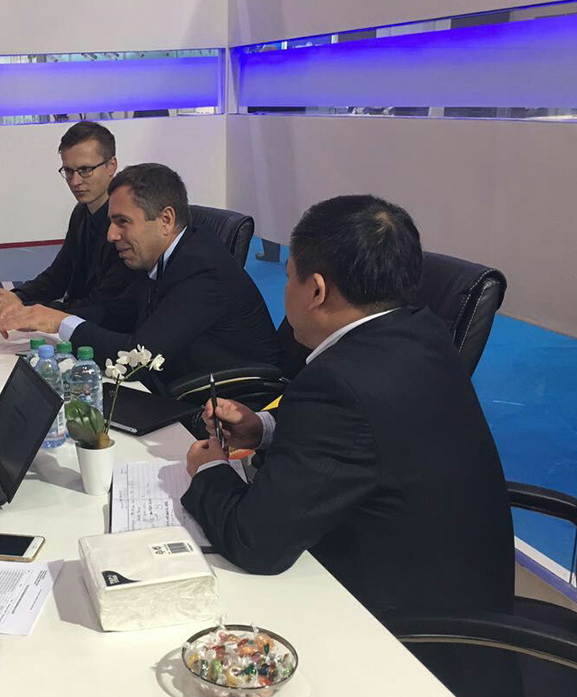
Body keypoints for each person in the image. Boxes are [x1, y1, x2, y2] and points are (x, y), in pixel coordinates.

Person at [181, 195, 516, 694]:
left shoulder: (339, 381)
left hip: (410, 639)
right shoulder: (419, 331)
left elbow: (256, 544)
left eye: (290, 277)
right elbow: (370, 434)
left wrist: (208, 470)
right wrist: (263, 428)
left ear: (316, 290)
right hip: (462, 591)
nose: (287, 290)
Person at [0, 163, 280, 390]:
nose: (111, 235)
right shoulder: (159, 257)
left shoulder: (203, 271)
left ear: (165, 220)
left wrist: (58, 322)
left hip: (225, 405)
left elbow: (136, 359)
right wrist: (41, 313)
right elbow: (116, 312)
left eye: (122, 222)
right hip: (173, 385)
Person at [0, 121, 137, 319]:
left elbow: (103, 303)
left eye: (85, 169)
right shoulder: (81, 213)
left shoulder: (126, 224)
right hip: (75, 321)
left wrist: (29, 310)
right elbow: (58, 275)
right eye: (69, 171)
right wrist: (17, 297)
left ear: (111, 166)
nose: (75, 181)